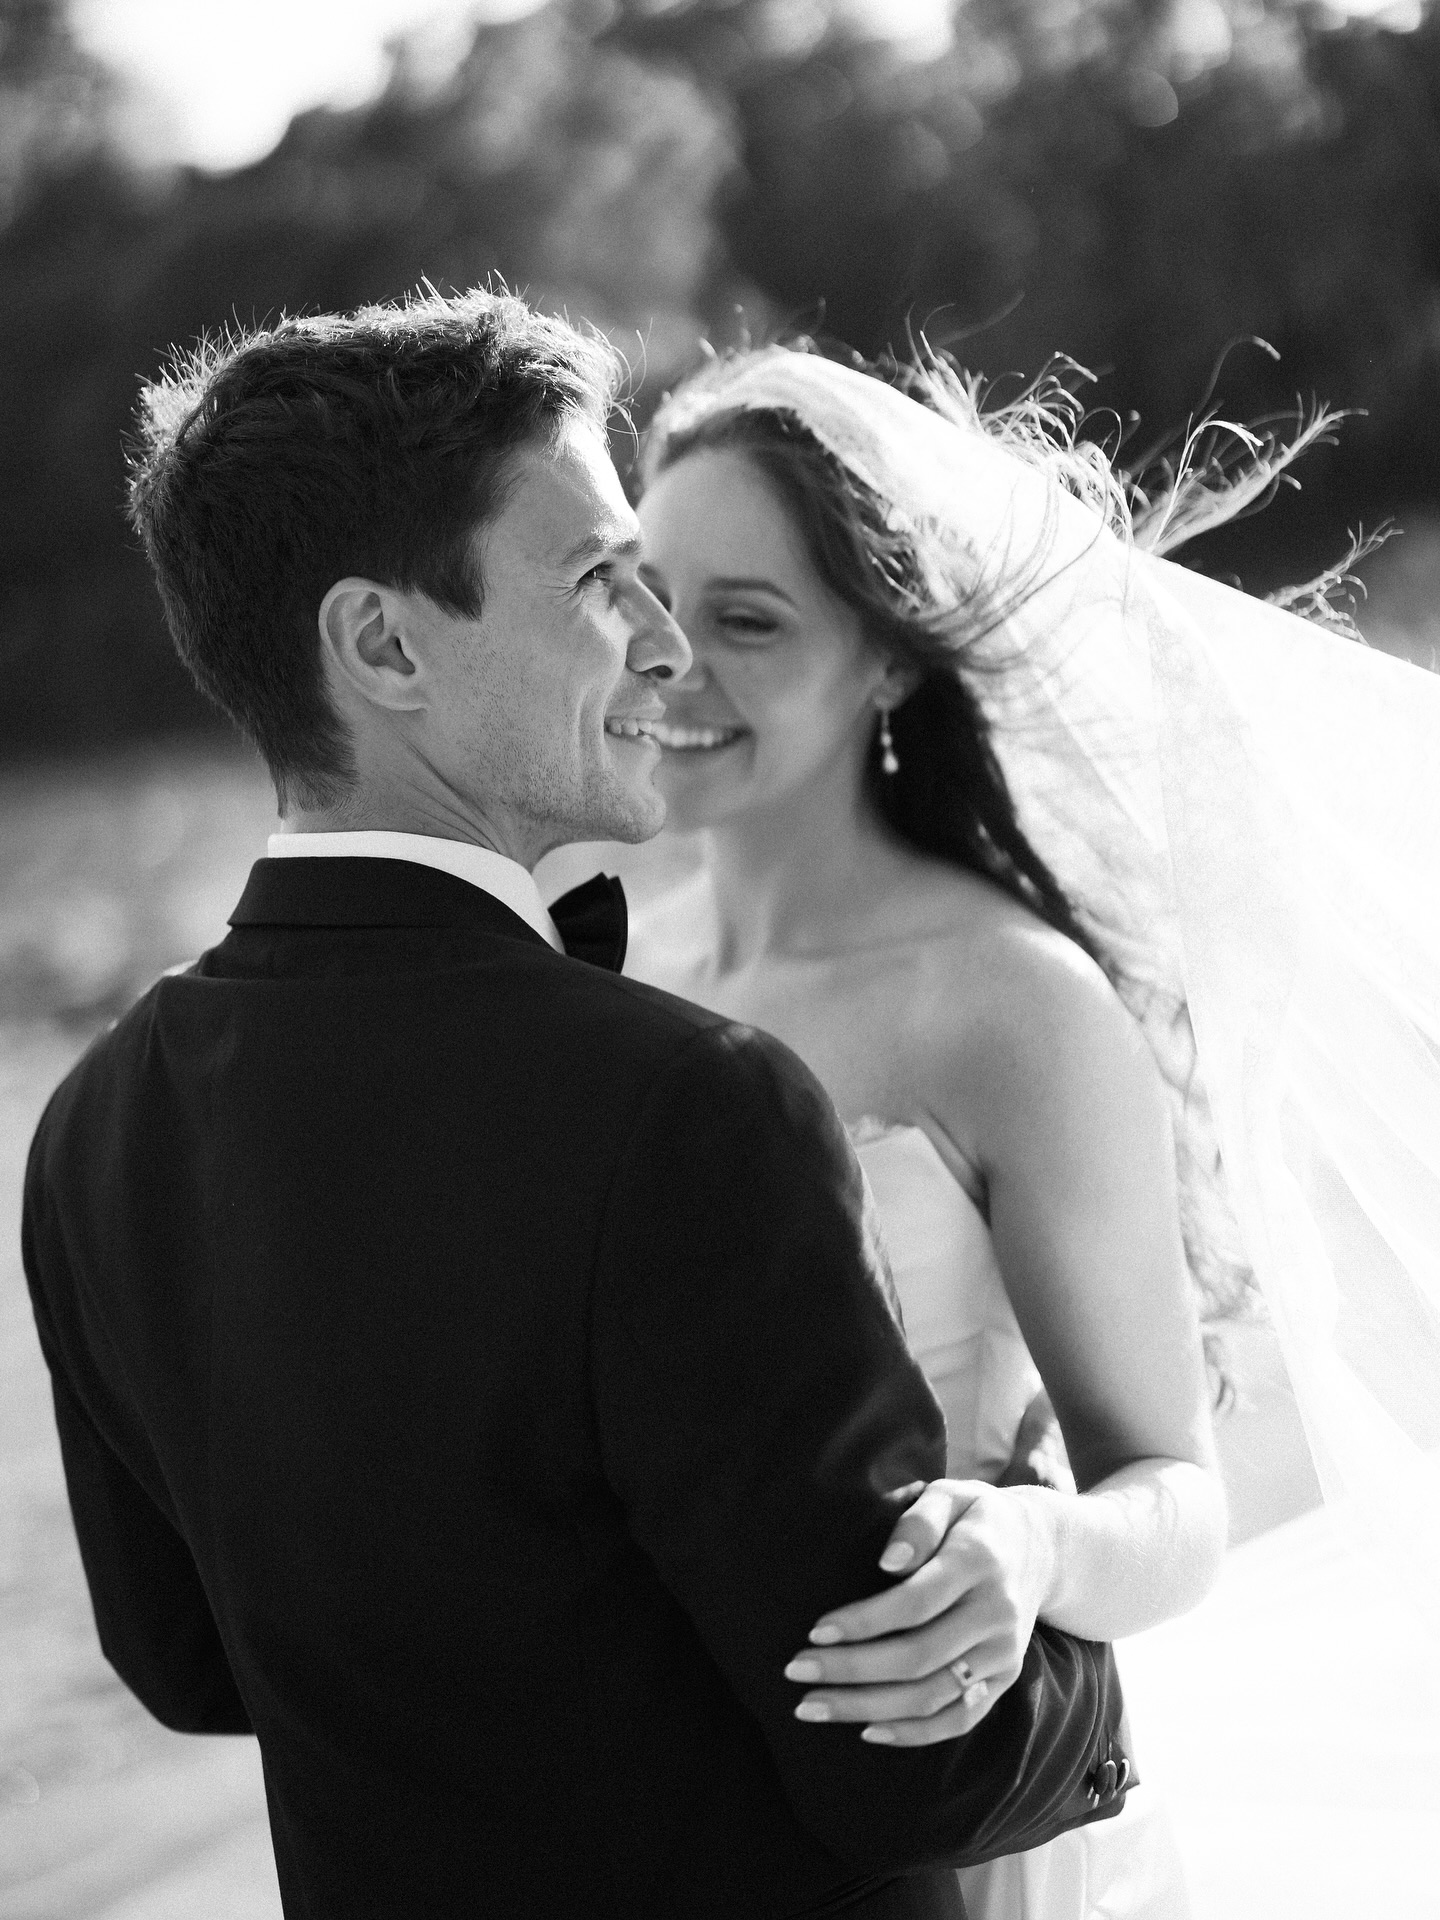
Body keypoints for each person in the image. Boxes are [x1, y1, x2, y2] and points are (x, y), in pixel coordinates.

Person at [20, 291, 1135, 1920]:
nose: (664, 645)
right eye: (603, 582)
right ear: (383, 646)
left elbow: (185, 1664)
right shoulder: (690, 1106)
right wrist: (1060, 1593)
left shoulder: (88, 1131)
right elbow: (921, 1767)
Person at [627, 341, 1440, 1916]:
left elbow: (1174, 1499)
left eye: (749, 619)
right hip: (676, 1814)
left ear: (887, 661)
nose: (672, 662)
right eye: (649, 601)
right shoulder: (606, 979)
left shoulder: (1007, 1002)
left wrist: (1033, 1551)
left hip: (964, 1819)